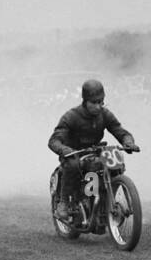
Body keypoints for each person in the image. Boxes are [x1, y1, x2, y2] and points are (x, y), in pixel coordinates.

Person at [47, 79, 138, 225]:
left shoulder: (105, 114)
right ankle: (64, 204)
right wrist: (65, 150)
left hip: (95, 152)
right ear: (85, 101)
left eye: (100, 102)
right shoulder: (71, 116)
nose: (98, 106)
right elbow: (54, 141)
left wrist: (128, 142)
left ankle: (107, 201)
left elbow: (120, 131)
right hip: (73, 154)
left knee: (114, 166)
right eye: (94, 102)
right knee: (73, 164)